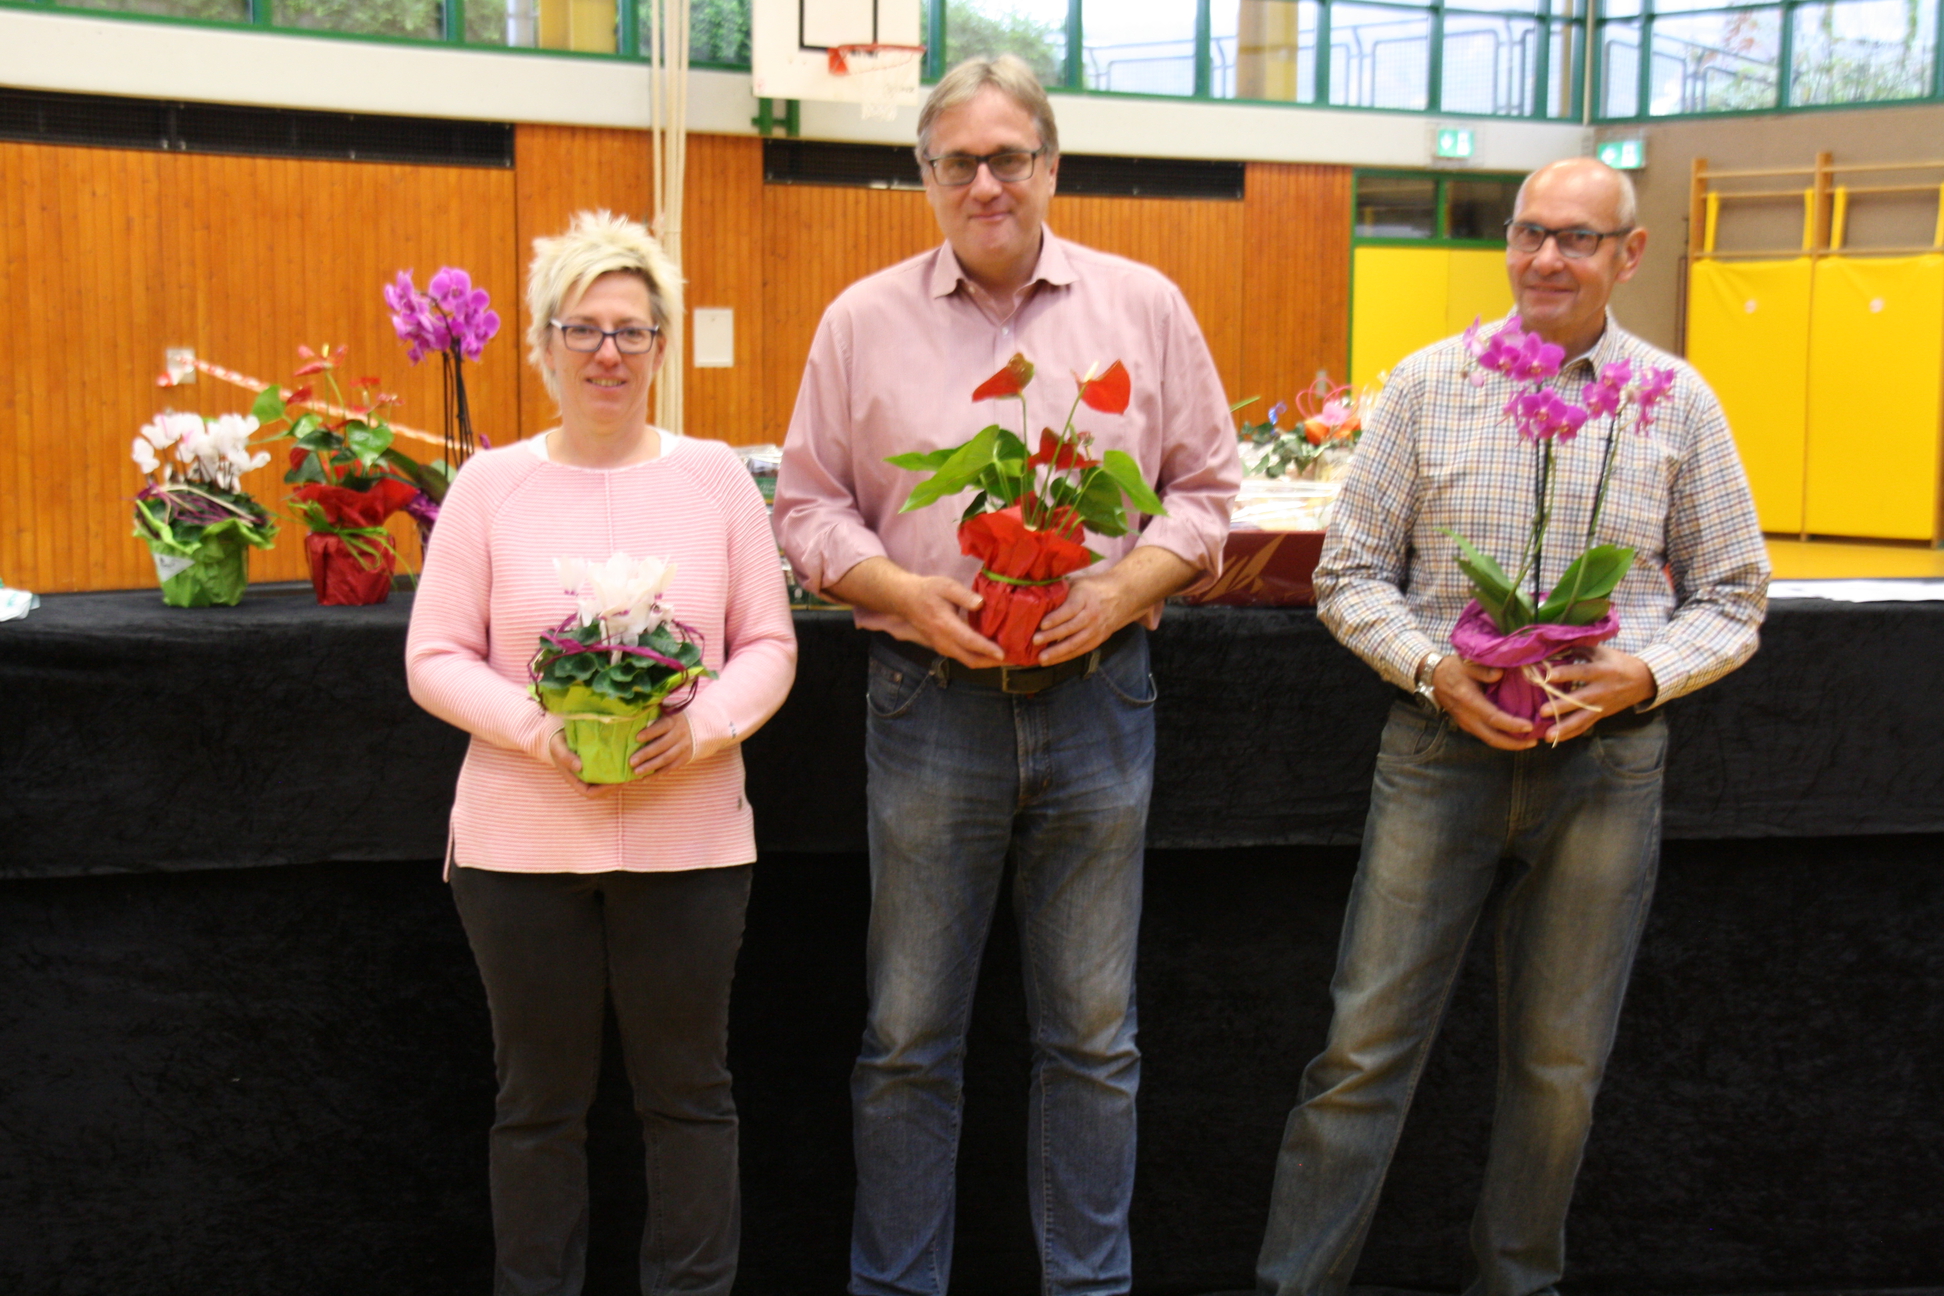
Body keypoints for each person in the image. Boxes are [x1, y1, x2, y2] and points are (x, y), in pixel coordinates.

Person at [1224, 157, 1770, 1296]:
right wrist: (1434, 671)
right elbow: (1349, 576)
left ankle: (1518, 1283)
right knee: (1362, 1053)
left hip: (1606, 771)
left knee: (1560, 1070)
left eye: (1577, 238)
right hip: (1438, 757)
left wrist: (1644, 675)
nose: (1546, 258)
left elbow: (1734, 596)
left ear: (1630, 254)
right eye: (1529, 233)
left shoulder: (1675, 401)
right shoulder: (1428, 387)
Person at [771, 55, 1241, 1296]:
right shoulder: (860, 320)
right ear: (925, 177)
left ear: (1050, 165)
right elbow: (806, 507)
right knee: (907, 1037)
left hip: (1100, 702)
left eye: (1008, 157)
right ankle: (896, 1285)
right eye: (958, 162)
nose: (985, 183)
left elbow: (1206, 493)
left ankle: (1089, 1285)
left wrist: (1122, 590)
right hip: (927, 706)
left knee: (1093, 1036)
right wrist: (897, 591)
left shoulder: (1144, 306)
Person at [405, 209, 796, 1296]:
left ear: (661, 344)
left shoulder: (718, 481)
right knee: (537, 1108)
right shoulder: (490, 487)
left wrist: (701, 727)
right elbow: (433, 656)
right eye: (582, 329)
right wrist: (543, 733)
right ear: (543, 345)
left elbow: (770, 646)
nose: (607, 352)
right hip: (520, 854)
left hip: (689, 847)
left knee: (690, 1100)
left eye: (631, 329)